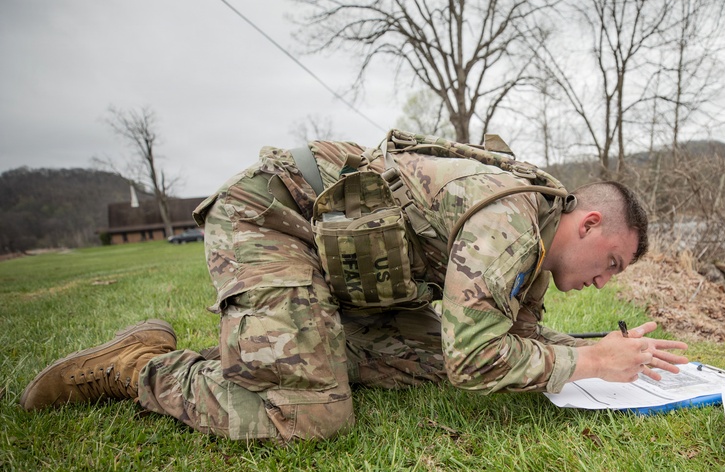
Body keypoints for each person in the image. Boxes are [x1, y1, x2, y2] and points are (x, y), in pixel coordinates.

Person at [19, 130, 689, 442]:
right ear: (591, 221)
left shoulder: (538, 234)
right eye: (613, 262)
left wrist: (607, 347)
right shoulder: (510, 220)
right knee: (311, 414)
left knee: (423, 358)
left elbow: (513, 336)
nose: (605, 280)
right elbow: (478, 356)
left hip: (333, 266)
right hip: (272, 223)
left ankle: (295, 343)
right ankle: (141, 367)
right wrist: (591, 361)